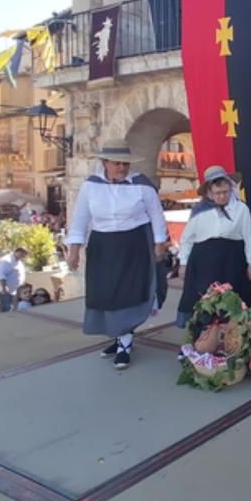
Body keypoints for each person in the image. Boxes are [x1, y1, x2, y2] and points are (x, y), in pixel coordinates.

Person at [67, 139, 168, 370]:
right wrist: (74, 250)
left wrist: (159, 243)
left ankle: (125, 343)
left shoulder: (141, 185)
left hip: (134, 244)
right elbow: (80, 218)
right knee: (106, 293)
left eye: (125, 164)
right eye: (117, 164)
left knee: (128, 292)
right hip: (102, 246)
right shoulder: (90, 185)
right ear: (105, 163)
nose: (122, 168)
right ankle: (118, 335)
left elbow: (156, 215)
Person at [177, 166, 251, 330]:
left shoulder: (241, 209)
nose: (222, 196)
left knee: (232, 298)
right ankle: (200, 340)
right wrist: (183, 263)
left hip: (232, 260)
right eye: (218, 193)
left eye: (225, 192)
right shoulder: (199, 211)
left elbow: (250, 236)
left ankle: (232, 341)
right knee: (203, 300)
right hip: (203, 262)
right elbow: (187, 239)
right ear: (209, 193)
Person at [0, 247, 28, 312]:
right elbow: (0, 275)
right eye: (22, 254)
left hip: (13, 291)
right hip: (4, 291)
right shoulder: (6, 260)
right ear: (17, 252)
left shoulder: (17, 261)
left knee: (12, 309)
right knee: (6, 309)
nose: (23, 256)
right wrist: (4, 287)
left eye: (24, 255)